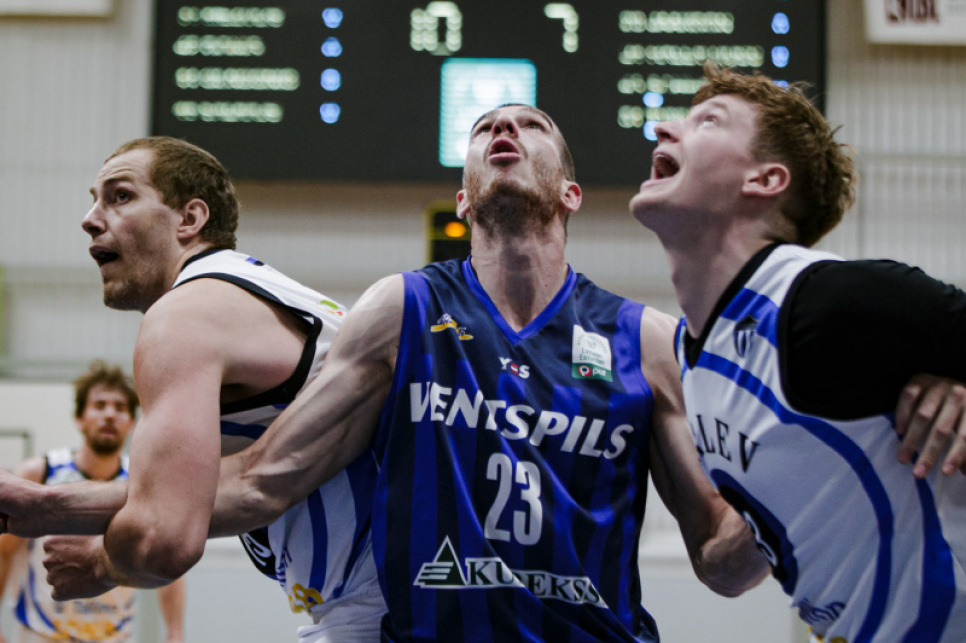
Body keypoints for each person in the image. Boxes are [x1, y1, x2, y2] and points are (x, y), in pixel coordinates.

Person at [630, 61, 966, 641]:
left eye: (709, 121)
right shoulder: (694, 356)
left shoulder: (823, 301)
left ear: (765, 180)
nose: (664, 128)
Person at [0, 137, 385, 642]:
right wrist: (45, 506)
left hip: (382, 605)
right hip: (405, 590)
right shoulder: (261, 291)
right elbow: (207, 484)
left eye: (120, 196)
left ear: (190, 219)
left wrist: (100, 563)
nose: (89, 220)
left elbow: (163, 537)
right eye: (94, 201)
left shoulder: (185, 314)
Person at [0, 360, 184, 643]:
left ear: (131, 423)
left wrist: (174, 632)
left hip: (115, 636)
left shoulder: (143, 482)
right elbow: (4, 552)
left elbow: (169, 562)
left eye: (120, 407)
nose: (109, 414)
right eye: (99, 405)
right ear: (80, 418)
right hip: (41, 634)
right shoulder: (40, 474)